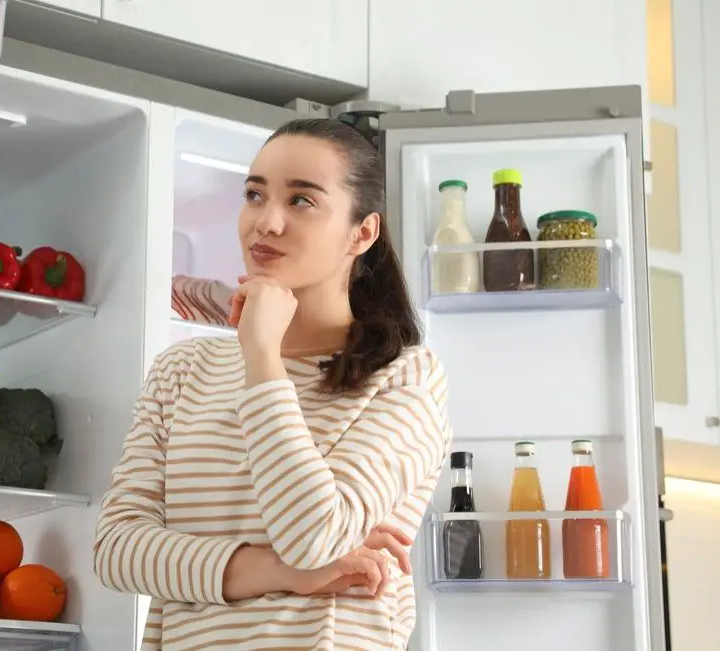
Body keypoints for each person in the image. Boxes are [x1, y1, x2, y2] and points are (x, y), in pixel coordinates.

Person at [94, 118, 452, 651]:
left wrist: (262, 356)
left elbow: (313, 535)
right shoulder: (181, 371)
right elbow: (117, 551)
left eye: (302, 201)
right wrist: (287, 575)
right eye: (255, 194)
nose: (267, 221)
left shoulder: (405, 376)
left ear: (363, 232)